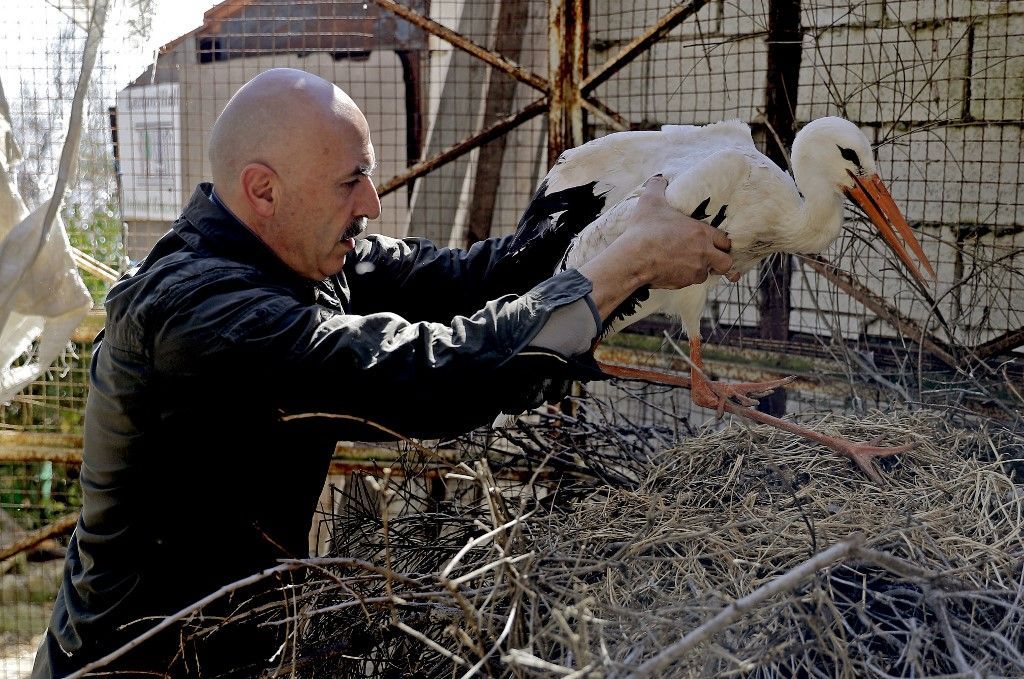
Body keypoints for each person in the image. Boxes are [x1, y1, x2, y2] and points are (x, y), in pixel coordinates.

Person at [32, 68, 732, 677]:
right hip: (131, 667)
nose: (370, 203)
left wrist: (621, 202)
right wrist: (626, 264)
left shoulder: (303, 259)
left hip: (230, 650)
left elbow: (476, 278)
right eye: (349, 181)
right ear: (263, 190)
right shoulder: (205, 317)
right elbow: (435, 374)